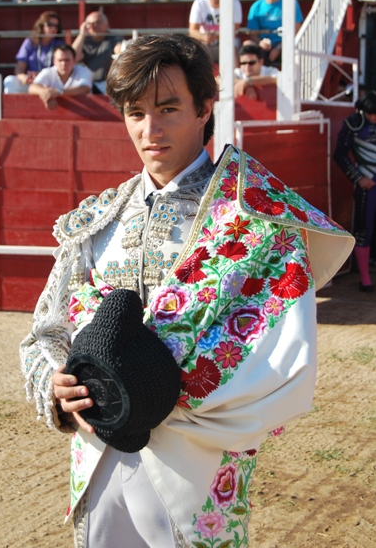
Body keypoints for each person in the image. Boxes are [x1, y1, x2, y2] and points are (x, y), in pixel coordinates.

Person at [20, 32, 353, 548]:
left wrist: (167, 396)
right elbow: (44, 333)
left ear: (205, 108)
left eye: (168, 108)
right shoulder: (99, 219)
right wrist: (57, 387)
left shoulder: (258, 221)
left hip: (196, 467)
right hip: (99, 451)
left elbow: (284, 361)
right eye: (135, 113)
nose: (149, 130)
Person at [334, 91, 376, 292]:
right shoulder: (355, 122)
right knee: (363, 228)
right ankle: (365, 280)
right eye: (371, 114)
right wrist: (358, 177)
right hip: (368, 183)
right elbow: (340, 153)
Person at [246, 0, 303, 66]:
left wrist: (279, 47)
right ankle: (251, 79)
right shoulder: (256, 7)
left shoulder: (290, 3)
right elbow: (253, 34)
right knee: (248, 45)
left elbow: (296, 30)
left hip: (287, 44)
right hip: (264, 46)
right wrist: (260, 43)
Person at [3, 10, 62, 94]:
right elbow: (19, 68)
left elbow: (63, 67)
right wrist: (23, 77)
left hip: (49, 82)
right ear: (41, 26)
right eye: (50, 25)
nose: (53, 28)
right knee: (10, 81)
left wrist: (41, 75)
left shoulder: (59, 44)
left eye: (56, 26)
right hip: (31, 81)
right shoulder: (30, 42)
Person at [189, 0, 242, 64]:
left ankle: (235, 77)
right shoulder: (199, 3)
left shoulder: (234, 2)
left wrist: (214, 36)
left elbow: (235, 29)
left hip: (228, 42)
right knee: (197, 52)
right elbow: (192, 31)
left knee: (231, 49)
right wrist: (204, 36)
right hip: (206, 43)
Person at [72, 10, 123, 94]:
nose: (95, 26)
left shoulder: (113, 37)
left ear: (107, 24)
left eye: (98, 22)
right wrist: (82, 34)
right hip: (88, 83)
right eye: (90, 24)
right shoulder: (85, 41)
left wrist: (120, 49)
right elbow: (74, 57)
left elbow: (119, 49)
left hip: (108, 83)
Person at [28, 43, 92, 109]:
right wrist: (48, 94)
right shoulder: (47, 72)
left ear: (74, 60)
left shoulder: (84, 71)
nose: (63, 64)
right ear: (54, 61)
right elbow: (32, 87)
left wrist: (58, 92)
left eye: (67, 60)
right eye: (60, 60)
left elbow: (84, 88)